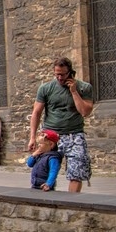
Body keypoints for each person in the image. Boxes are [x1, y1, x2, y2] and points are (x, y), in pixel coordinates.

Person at [28, 57, 94, 193]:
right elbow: (36, 113)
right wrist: (32, 137)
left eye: (63, 74)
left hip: (74, 134)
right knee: (42, 170)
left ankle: (71, 203)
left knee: (77, 171)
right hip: (50, 135)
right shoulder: (46, 88)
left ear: (70, 72)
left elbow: (85, 112)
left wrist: (74, 92)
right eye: (56, 74)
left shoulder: (84, 87)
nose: (59, 77)